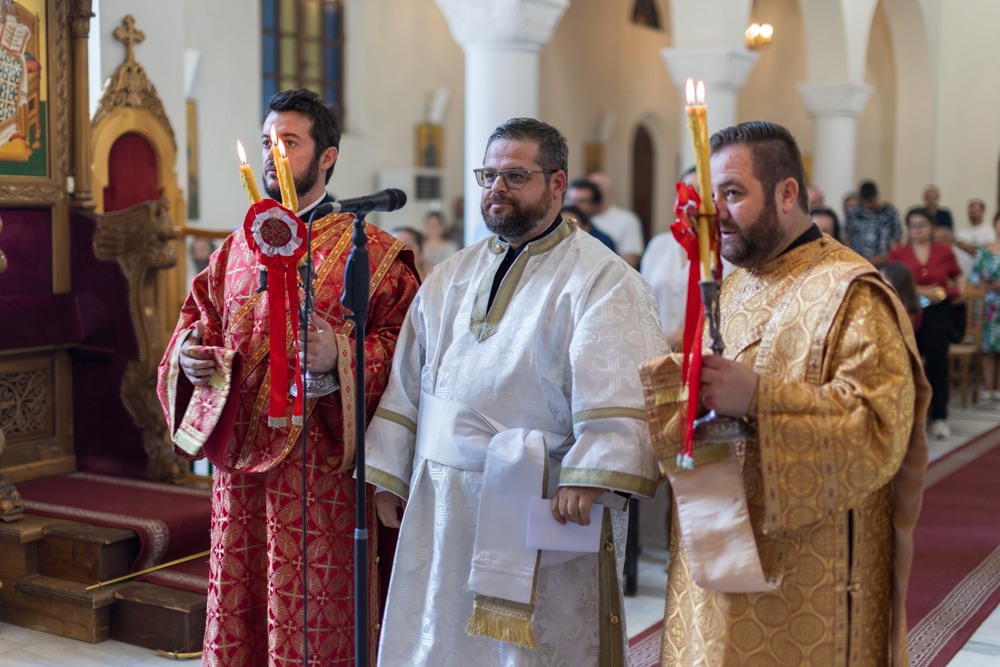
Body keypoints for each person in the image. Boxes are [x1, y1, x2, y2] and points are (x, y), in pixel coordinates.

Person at [365, 117, 667, 666]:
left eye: (515, 175)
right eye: (488, 175)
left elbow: (621, 379)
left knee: (532, 647)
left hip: (546, 496)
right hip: (443, 499)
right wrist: (391, 471)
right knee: (440, 633)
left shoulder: (602, 278)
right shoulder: (450, 275)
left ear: (557, 183)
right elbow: (409, 381)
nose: (497, 187)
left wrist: (588, 473)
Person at [640, 121, 929, 666]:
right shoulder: (732, 284)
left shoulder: (852, 292)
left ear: (787, 193)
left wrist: (759, 399)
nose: (715, 214)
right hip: (714, 548)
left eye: (732, 193)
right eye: (709, 198)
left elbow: (878, 426)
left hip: (807, 580)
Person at [156, 89, 421, 666]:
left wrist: (342, 355)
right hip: (240, 475)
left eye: (289, 142)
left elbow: (408, 353)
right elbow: (197, 323)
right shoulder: (235, 249)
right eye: (266, 142)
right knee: (244, 598)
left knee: (313, 612)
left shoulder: (372, 252)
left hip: (323, 471)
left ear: (326, 156)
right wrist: (191, 357)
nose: (272, 155)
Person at [888, 207, 964, 440]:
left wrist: (960, 290)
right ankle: (909, 416)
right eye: (913, 226)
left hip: (938, 314)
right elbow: (893, 281)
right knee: (908, 365)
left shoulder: (944, 250)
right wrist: (922, 290)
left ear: (931, 227)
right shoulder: (899, 252)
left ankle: (939, 417)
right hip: (909, 313)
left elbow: (958, 274)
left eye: (922, 225)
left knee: (938, 365)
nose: (917, 230)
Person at [640, 166, 698, 347]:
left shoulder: (725, 251)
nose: (691, 201)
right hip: (653, 349)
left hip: (700, 351)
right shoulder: (659, 244)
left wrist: (667, 342)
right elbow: (642, 300)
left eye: (700, 192)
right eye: (687, 191)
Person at [968, 211, 1000, 400]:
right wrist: (983, 285)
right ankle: (988, 387)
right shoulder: (984, 251)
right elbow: (973, 276)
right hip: (986, 305)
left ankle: (999, 387)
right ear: (994, 224)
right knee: (987, 348)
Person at [588, 171, 645, 268]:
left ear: (610, 192)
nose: (594, 192)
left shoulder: (627, 220)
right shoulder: (577, 219)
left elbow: (630, 261)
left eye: (598, 187)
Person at [844, 179, 901, 267]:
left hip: (884, 262)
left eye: (870, 201)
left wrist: (890, 257)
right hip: (858, 262)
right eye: (865, 202)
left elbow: (897, 239)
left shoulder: (890, 212)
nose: (868, 205)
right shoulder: (854, 213)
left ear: (876, 196)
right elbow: (847, 237)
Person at [565, 178, 616, 251]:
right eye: (570, 199)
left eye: (582, 201)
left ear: (594, 205)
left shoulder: (603, 241)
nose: (573, 205)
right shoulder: (554, 234)